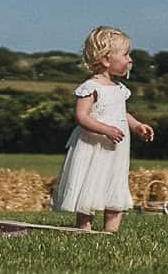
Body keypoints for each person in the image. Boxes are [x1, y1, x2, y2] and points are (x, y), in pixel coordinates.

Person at [50, 26, 155, 233]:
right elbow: (82, 116)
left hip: (116, 151)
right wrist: (105, 129)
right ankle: (84, 228)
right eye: (125, 54)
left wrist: (137, 126)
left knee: (115, 185)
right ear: (106, 60)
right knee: (90, 184)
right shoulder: (91, 87)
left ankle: (111, 232)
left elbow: (122, 114)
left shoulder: (119, 90)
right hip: (94, 147)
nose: (130, 59)